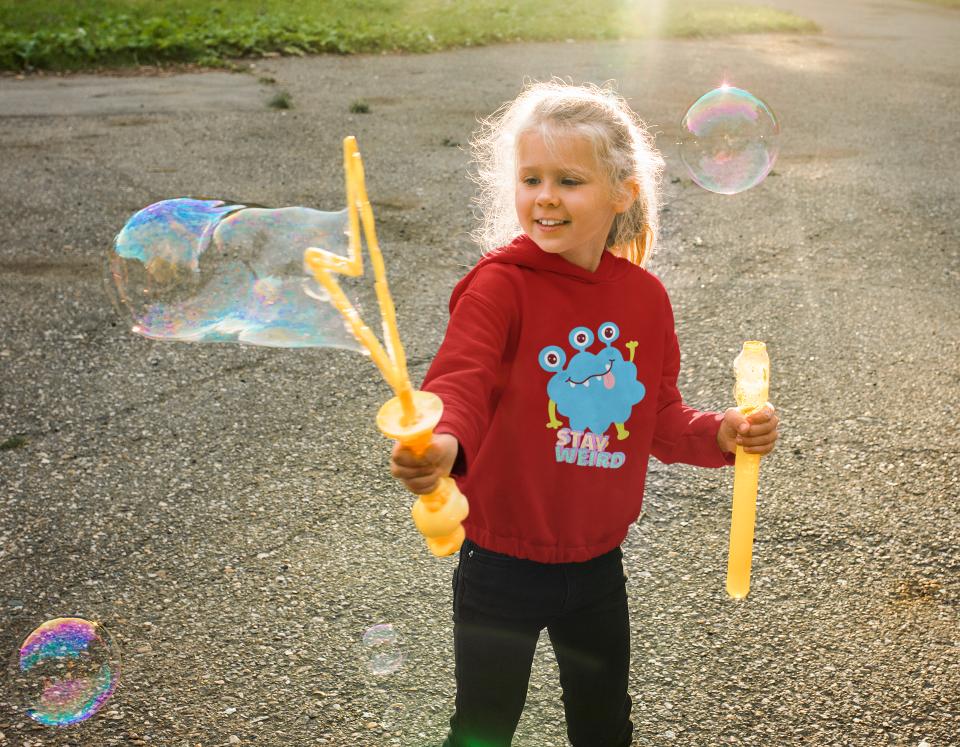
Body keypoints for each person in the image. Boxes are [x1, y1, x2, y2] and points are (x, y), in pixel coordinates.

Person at [389, 80, 780, 747]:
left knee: (604, 724)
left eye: (569, 180)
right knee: (483, 723)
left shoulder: (645, 299)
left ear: (622, 191)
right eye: (531, 177)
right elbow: (463, 379)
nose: (544, 196)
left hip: (599, 565)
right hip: (500, 563)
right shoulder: (498, 286)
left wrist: (719, 432)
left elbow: (656, 416)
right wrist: (444, 443)